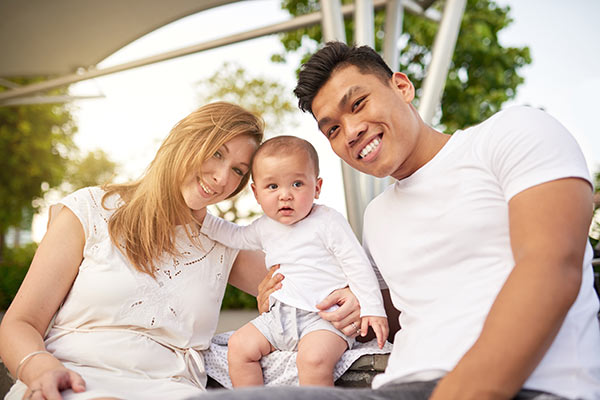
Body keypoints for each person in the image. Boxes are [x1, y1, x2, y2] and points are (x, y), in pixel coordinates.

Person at [197, 42, 600, 400]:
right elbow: (385, 318)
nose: (351, 131)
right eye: (333, 129)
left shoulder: (512, 133)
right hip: (396, 386)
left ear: (402, 88)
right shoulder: (377, 215)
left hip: (527, 385)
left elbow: (552, 266)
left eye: (358, 104)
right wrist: (341, 300)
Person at [0, 102, 363, 400]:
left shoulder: (224, 243)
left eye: (237, 170)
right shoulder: (91, 210)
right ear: (184, 140)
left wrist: (352, 296)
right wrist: (38, 367)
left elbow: (319, 278)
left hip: (170, 391)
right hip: (70, 381)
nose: (222, 178)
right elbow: (20, 323)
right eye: (216, 153)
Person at [200, 135, 388, 387]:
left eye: (297, 184)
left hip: (323, 317)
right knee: (239, 347)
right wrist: (200, 218)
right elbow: (233, 236)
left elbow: (357, 265)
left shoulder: (327, 221)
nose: (285, 195)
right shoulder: (264, 227)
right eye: (273, 187)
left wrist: (373, 309)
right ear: (256, 193)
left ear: (317, 187)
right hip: (279, 316)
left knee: (313, 360)